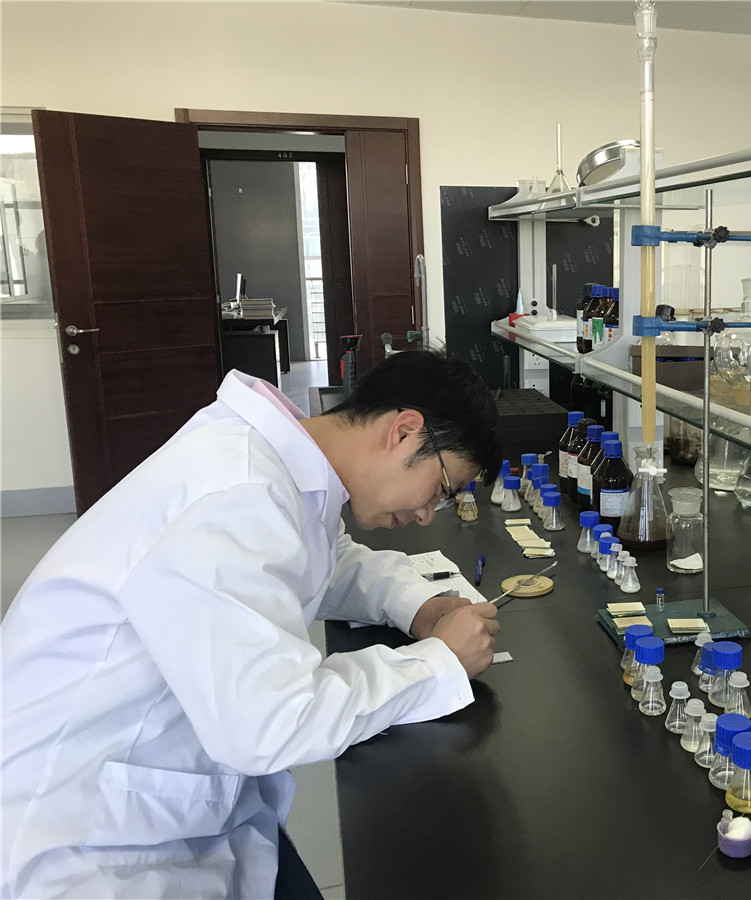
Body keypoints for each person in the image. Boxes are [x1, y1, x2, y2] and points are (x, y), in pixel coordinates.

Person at [1, 349, 504, 898]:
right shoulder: (235, 494)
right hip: (91, 847)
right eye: (442, 489)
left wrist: (414, 603)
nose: (428, 514)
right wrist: (436, 665)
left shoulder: (277, 469)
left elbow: (321, 561)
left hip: (176, 803)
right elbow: (271, 721)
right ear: (404, 432)